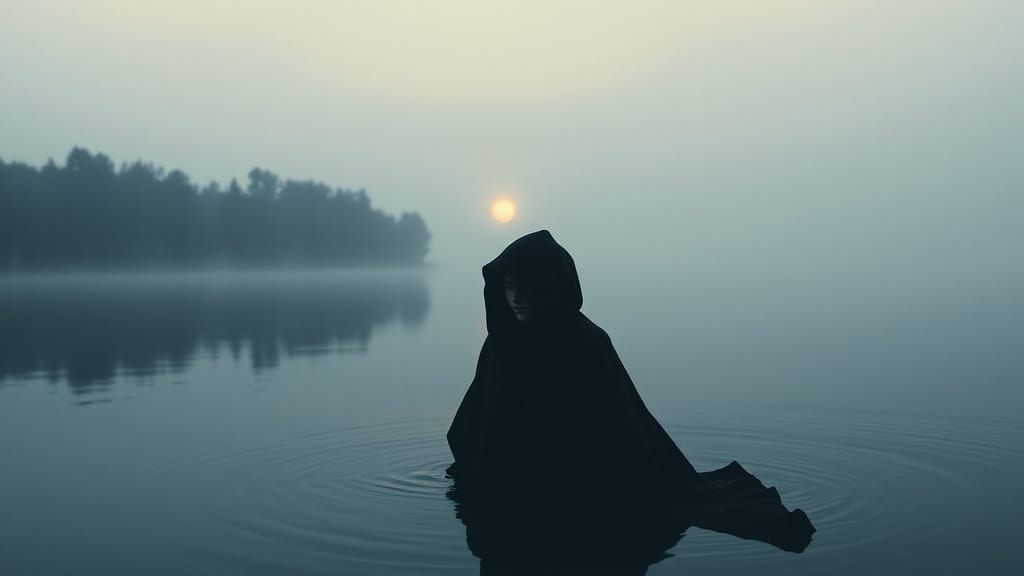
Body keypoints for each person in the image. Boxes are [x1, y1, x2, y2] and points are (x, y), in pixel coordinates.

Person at [446, 230, 815, 572]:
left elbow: (619, 427)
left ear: (551, 284)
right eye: (509, 285)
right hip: (512, 485)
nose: (515, 297)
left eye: (527, 285)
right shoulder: (502, 345)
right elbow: (477, 421)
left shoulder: (587, 343)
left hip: (583, 485)